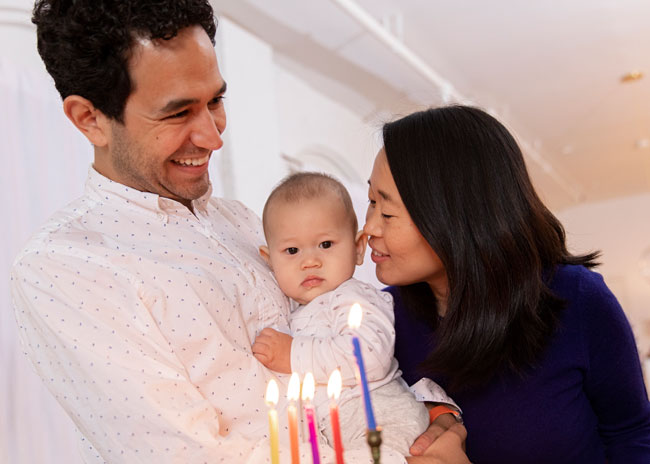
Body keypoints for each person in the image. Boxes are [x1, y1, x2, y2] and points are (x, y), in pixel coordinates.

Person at [10, 0, 467, 462]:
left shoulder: (241, 221)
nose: (213, 136)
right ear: (90, 119)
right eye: (177, 113)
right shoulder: (64, 268)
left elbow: (335, 332)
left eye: (215, 101)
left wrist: (414, 413)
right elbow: (187, 454)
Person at [363, 105, 650, 463]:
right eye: (370, 201)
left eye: (387, 212)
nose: (369, 228)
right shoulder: (379, 322)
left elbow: (633, 436)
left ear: (455, 215)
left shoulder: (577, 300)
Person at [252, 172, 448, 456]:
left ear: (357, 248)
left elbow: (369, 355)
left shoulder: (354, 298)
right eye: (292, 250)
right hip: (341, 431)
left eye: (326, 244)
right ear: (271, 262)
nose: (310, 261)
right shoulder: (294, 311)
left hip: (382, 418)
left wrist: (292, 354)